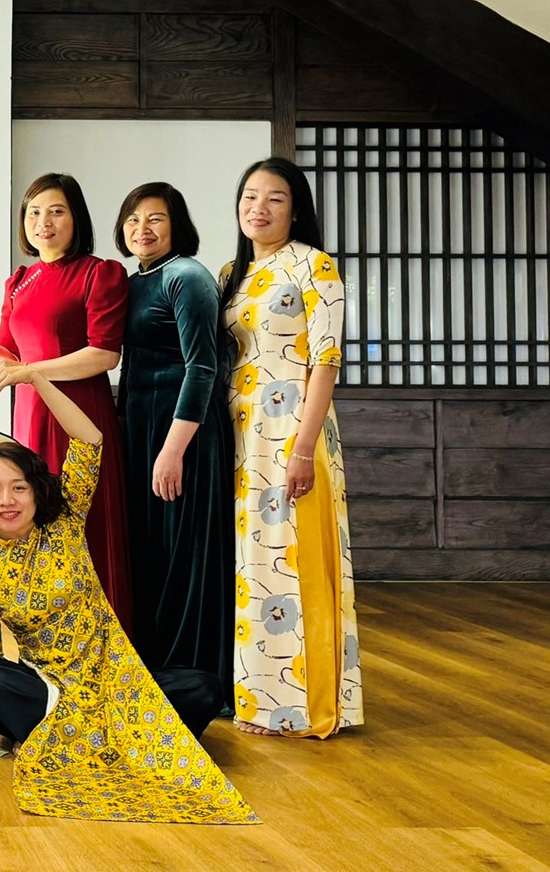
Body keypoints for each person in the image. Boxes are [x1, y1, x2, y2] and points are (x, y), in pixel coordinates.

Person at [0, 369, 255, 824]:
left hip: (116, 684)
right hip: (52, 692)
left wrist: (35, 376)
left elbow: (90, 439)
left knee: (203, 688)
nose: (6, 500)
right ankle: (108, 738)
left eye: (18, 487)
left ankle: (88, 738)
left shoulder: (64, 525)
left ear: (36, 492)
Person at [221, 158, 363, 738]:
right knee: (252, 567)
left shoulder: (314, 265)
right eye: (249, 196)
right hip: (238, 438)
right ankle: (254, 698)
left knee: (290, 560)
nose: (258, 207)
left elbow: (325, 362)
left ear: (296, 209)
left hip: (290, 433)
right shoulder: (231, 273)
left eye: (274, 198)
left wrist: (303, 448)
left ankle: (302, 707)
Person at [0, 172, 132, 627]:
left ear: (76, 218)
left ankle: (100, 636)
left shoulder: (99, 273)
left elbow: (104, 354)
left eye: (57, 211)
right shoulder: (18, 281)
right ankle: (42, 635)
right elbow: (10, 359)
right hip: (31, 416)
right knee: (32, 516)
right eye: (34, 213)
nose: (44, 222)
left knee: (82, 520)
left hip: (78, 414)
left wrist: (31, 373)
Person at [112, 182, 234, 686]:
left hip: (183, 435)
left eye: (155, 218)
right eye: (133, 219)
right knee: (151, 551)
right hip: (141, 429)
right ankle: (156, 668)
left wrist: (172, 450)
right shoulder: (134, 281)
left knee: (184, 552)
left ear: (176, 225)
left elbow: (202, 367)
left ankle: (194, 675)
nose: (142, 229)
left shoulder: (188, 276)